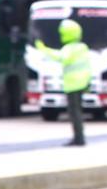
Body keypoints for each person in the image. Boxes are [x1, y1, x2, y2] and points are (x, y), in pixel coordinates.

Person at [34, 18, 91, 146]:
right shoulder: (83, 47)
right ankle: (79, 137)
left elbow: (60, 57)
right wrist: (88, 82)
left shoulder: (70, 49)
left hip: (73, 85)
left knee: (74, 113)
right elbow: (88, 67)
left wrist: (43, 48)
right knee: (77, 112)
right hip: (81, 84)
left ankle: (79, 138)